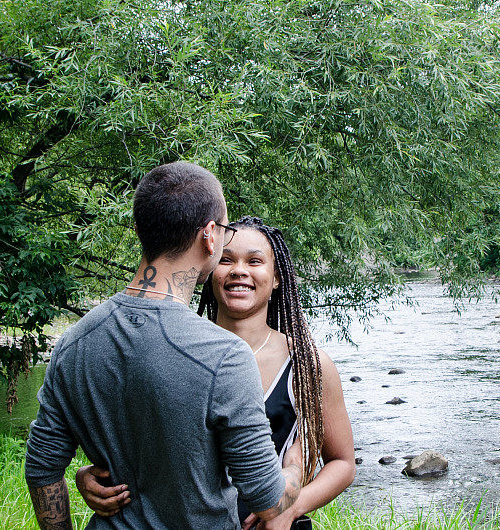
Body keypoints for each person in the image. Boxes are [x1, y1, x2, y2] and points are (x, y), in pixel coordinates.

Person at [24, 163, 302, 529]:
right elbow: (268, 501)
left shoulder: (74, 342)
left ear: (141, 230)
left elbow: (42, 466)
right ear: (209, 236)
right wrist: (296, 463)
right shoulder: (224, 355)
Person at [76, 216, 356, 529]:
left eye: (254, 261)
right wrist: (90, 475)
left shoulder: (307, 364)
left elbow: (342, 463)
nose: (239, 270)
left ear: (276, 277)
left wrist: (291, 507)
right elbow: (145, 444)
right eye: (226, 259)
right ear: (210, 271)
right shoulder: (173, 349)